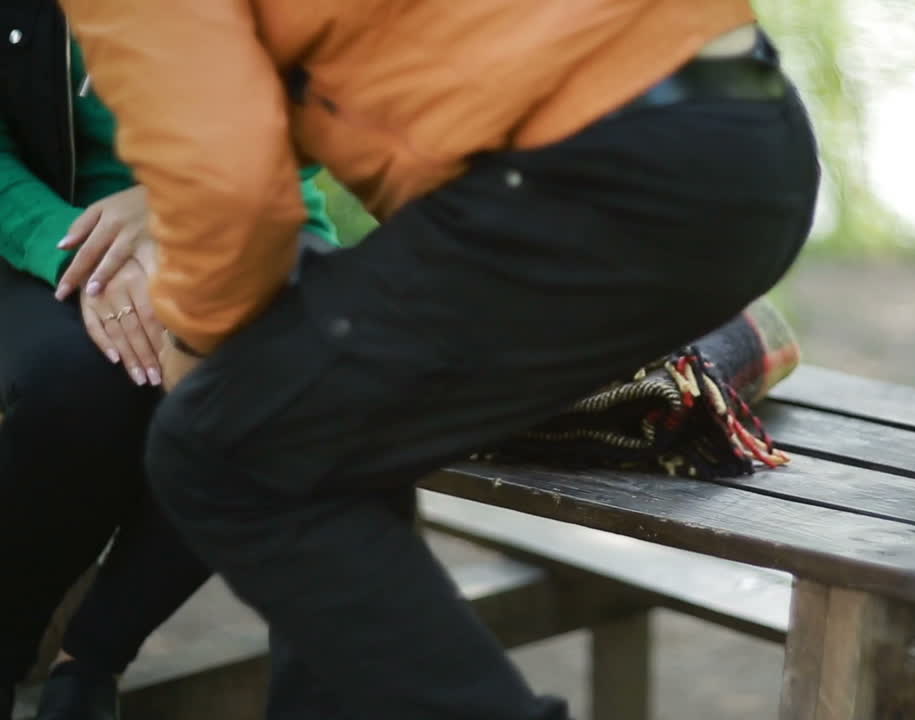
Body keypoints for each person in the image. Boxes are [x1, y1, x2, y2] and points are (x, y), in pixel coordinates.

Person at [60, 2, 820, 718]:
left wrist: (196, 347)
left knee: (219, 449)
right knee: (318, 425)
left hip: (600, 171)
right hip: (750, 139)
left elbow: (230, 190)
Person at [0, 6, 337, 717]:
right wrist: (86, 253)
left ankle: (89, 661)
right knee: (76, 382)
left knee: (305, 375)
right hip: (44, 225)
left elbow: (348, 83)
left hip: (245, 206)